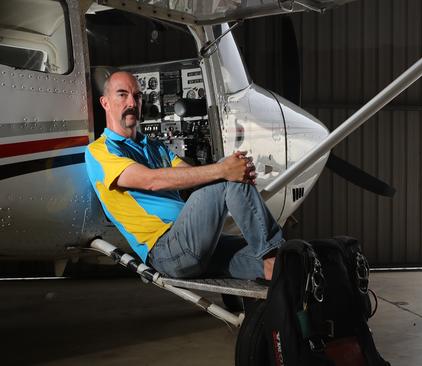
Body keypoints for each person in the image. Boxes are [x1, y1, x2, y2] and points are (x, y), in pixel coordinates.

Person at [85, 71, 283, 280]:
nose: (132, 102)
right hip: (167, 250)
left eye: (138, 96)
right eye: (122, 95)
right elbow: (151, 181)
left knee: (289, 263)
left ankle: (277, 265)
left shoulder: (154, 147)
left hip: (197, 241)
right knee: (226, 176)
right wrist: (226, 170)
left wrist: (233, 167)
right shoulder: (99, 151)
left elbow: (188, 175)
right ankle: (271, 256)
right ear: (105, 102)